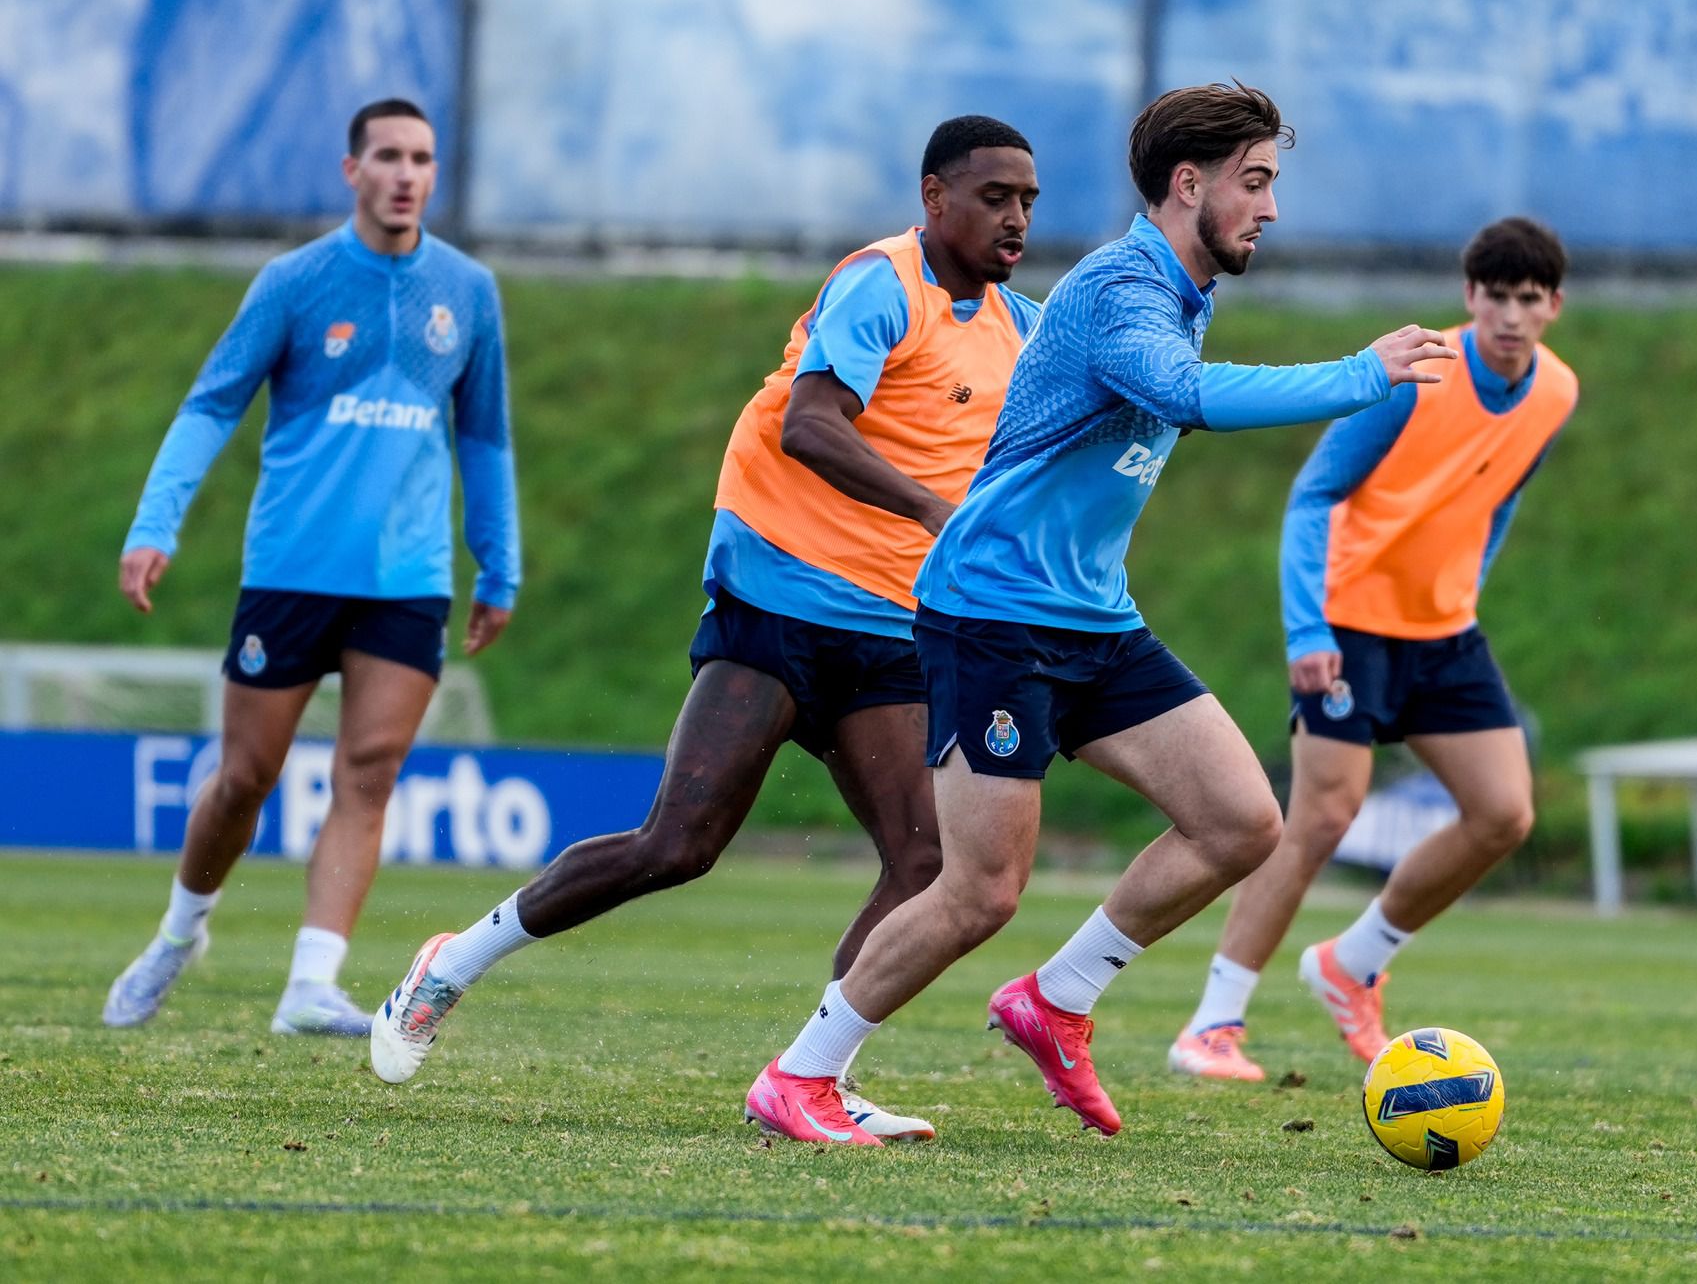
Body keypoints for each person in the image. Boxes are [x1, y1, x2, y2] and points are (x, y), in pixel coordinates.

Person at [740, 82, 1454, 1146]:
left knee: (1240, 819)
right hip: (991, 611)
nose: (1269, 208)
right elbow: (1189, 397)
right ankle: (799, 1075)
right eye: (1254, 183)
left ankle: (1056, 999)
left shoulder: (1182, 289)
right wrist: (1361, 371)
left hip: (1087, 615)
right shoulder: (1123, 286)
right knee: (980, 891)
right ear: (1187, 184)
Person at [370, 117, 1042, 1141]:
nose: (1016, 218)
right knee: (676, 846)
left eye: (1029, 200)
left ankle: (815, 1075)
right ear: (934, 196)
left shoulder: (1019, 328)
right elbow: (806, 422)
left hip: (893, 629)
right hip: (776, 600)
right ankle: (448, 964)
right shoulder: (880, 282)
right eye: (995, 196)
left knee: (926, 865)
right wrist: (927, 510)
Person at [104, 98, 521, 1037]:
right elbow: (210, 405)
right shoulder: (294, 282)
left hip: (408, 576)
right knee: (245, 775)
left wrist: (500, 562)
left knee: (368, 771)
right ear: (352, 171)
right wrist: (153, 522)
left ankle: (310, 983)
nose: (407, 173)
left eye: (422, 157)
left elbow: (486, 436)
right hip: (292, 567)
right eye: (388, 156)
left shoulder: (468, 290)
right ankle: (180, 931)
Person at [1167, 217, 1578, 1082]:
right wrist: (1309, 629)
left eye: (1527, 299)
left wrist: (1468, 581)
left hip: (1444, 632)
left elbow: (1497, 496)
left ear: (1554, 307)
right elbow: (1314, 493)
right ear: (1470, 297)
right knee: (1321, 815)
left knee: (1504, 812)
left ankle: (1352, 963)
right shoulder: (1418, 374)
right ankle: (1212, 1022)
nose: (1509, 314)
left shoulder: (1556, 393)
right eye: (1494, 296)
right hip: (1351, 621)